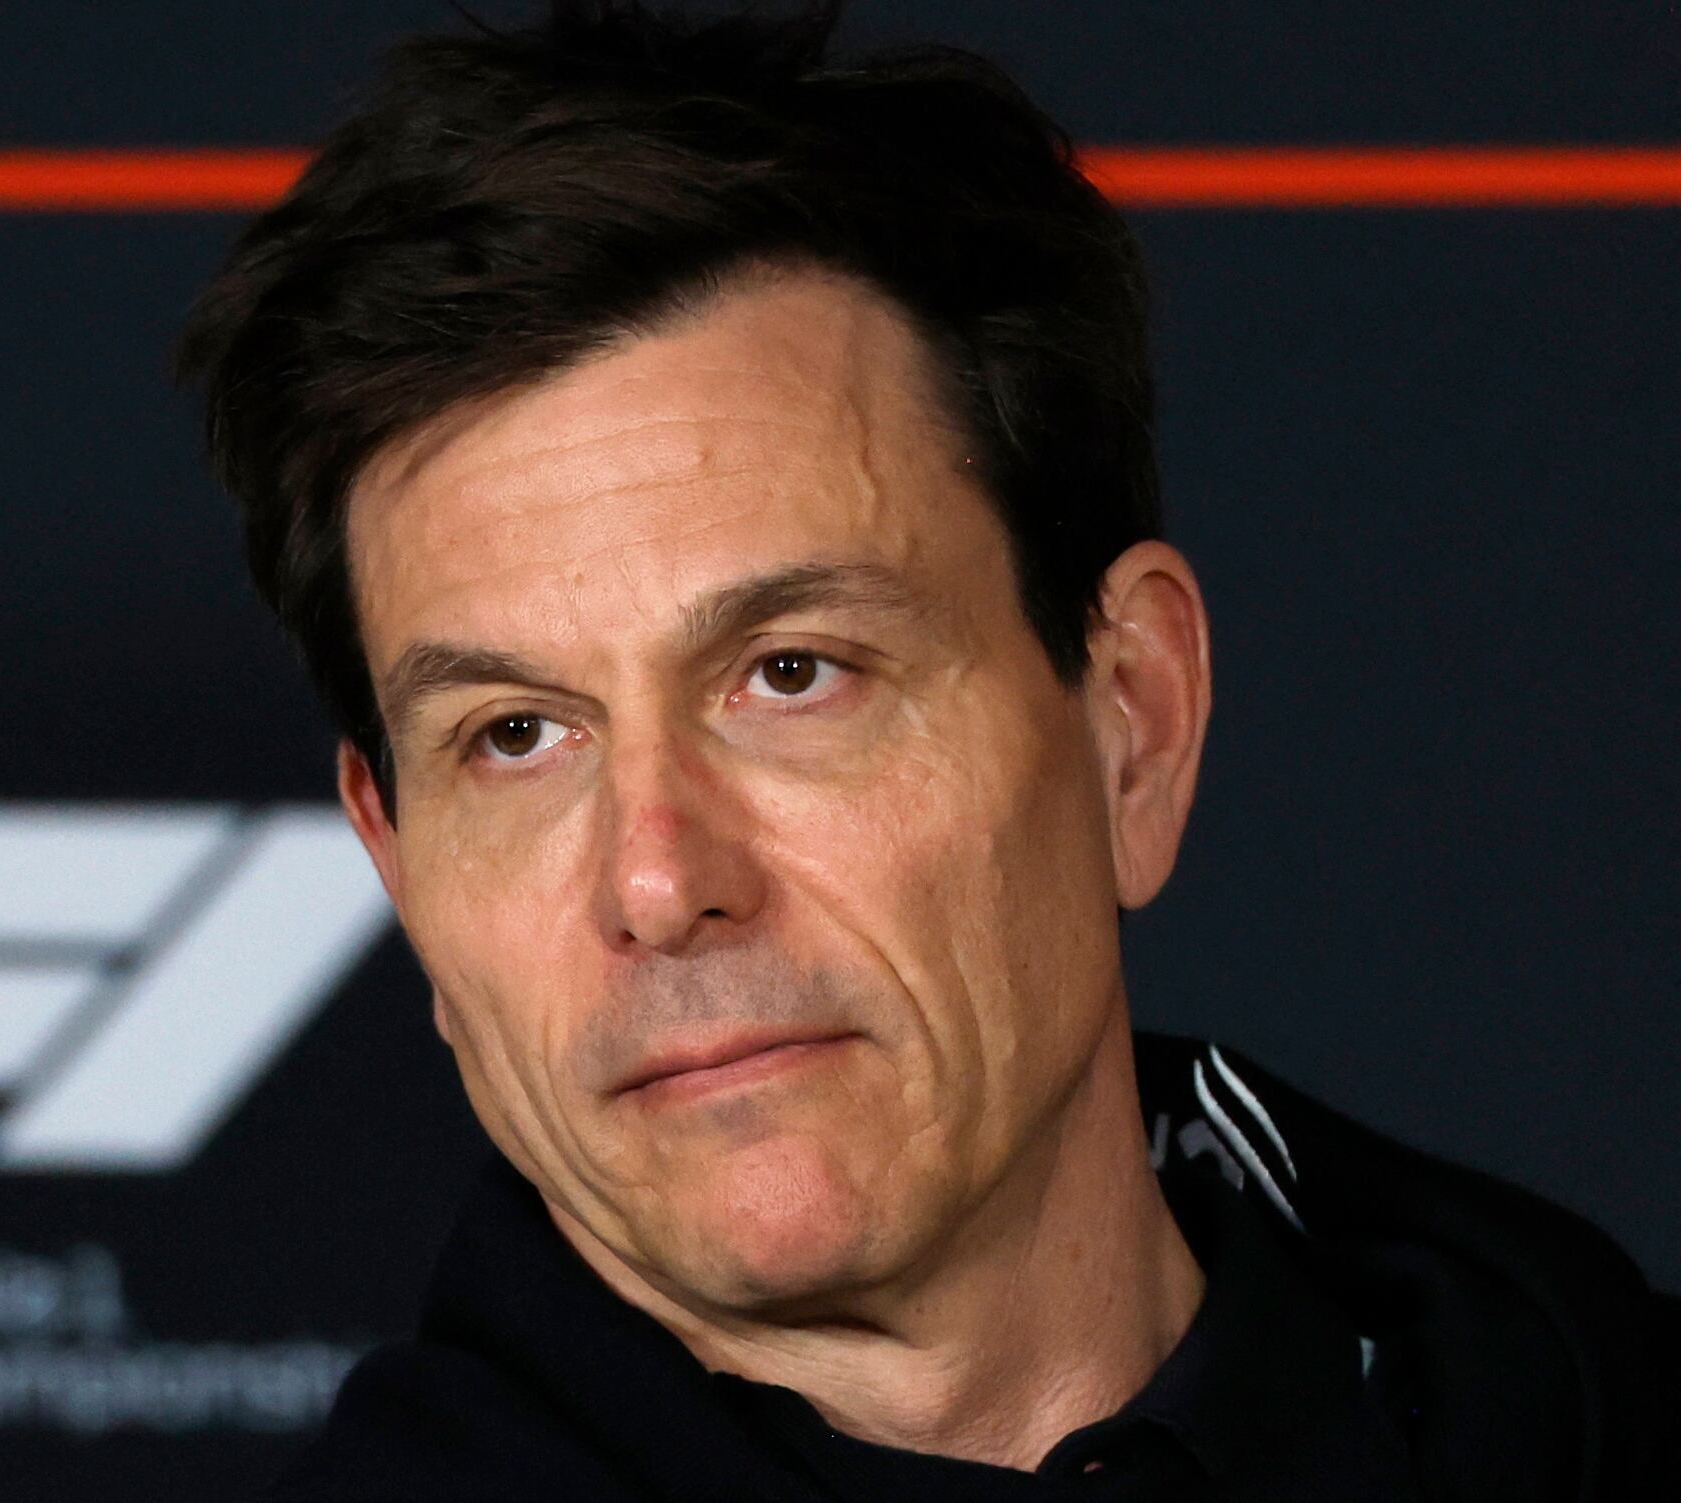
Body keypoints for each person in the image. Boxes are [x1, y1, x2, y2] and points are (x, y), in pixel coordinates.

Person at [175, 3, 1678, 1499]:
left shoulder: (1573, 1409)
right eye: (516, 736)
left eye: (790, 673)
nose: (657, 882)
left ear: (1132, 720)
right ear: (396, 863)